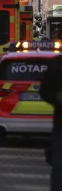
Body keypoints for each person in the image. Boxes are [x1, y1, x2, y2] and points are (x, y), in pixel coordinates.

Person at [39, 54, 62, 191]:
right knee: (59, 168)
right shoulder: (57, 65)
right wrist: (56, 97)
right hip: (61, 127)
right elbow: (45, 91)